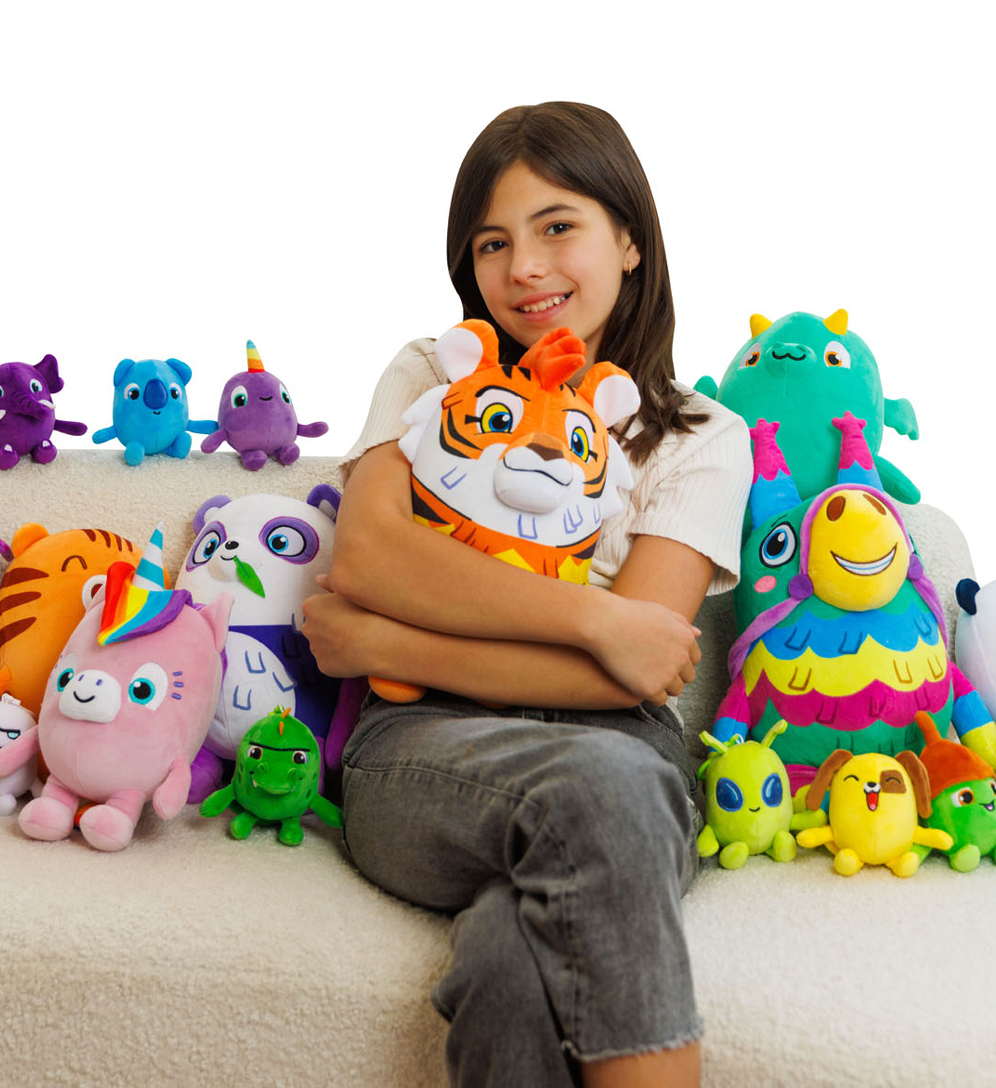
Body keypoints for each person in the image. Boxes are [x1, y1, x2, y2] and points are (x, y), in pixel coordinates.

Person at [301, 102, 751, 1088]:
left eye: (557, 227)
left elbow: (635, 676)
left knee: (515, 960)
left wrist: (389, 646)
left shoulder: (702, 437)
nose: (524, 269)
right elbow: (369, 554)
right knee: (605, 787)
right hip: (422, 752)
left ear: (629, 239)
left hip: (619, 754)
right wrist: (598, 616)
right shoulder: (435, 373)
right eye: (493, 243)